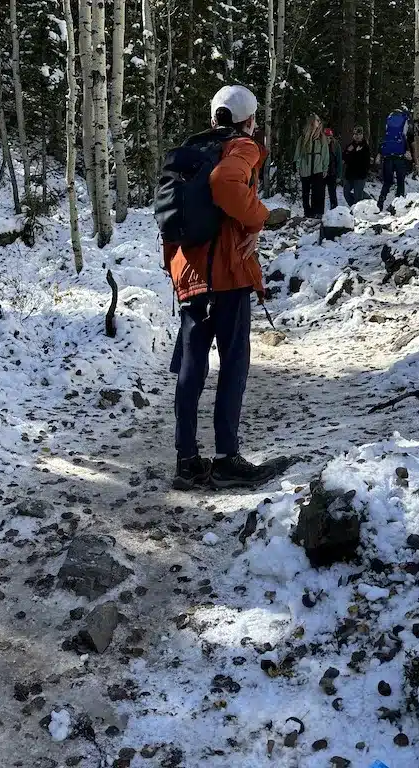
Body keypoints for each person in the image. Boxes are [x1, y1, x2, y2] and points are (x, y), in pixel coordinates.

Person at [162, 85, 275, 490]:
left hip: (191, 275)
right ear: (247, 120)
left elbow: (171, 217)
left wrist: (176, 272)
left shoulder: (191, 151)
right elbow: (227, 184)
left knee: (192, 367)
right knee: (233, 363)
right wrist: (258, 218)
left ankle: (186, 460)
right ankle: (227, 458)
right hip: (227, 275)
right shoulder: (241, 148)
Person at [377, 108, 413, 212]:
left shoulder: (389, 119)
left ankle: (380, 203)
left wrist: (380, 153)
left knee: (387, 182)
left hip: (388, 157)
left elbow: (384, 138)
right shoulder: (403, 119)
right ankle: (398, 205)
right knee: (400, 182)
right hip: (399, 158)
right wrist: (407, 150)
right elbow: (404, 137)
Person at [294, 114, 330, 218]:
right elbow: (298, 153)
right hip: (305, 167)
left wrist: (325, 168)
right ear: (312, 122)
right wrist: (297, 165)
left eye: (319, 120)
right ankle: (307, 212)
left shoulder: (322, 137)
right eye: (317, 120)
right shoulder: (303, 137)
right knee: (305, 192)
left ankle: (318, 212)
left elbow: (325, 154)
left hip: (317, 168)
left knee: (318, 191)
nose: (319, 122)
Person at [342, 125, 371, 206]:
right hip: (350, 174)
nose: (357, 136)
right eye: (355, 134)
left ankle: (358, 209)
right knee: (346, 193)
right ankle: (354, 206)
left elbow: (363, 161)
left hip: (360, 175)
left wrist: (353, 154)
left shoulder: (365, 146)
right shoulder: (350, 146)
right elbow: (344, 157)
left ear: (362, 135)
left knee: (357, 196)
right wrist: (350, 153)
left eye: (359, 134)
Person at [323, 124, 344, 210]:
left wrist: (339, 175)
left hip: (332, 173)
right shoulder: (320, 146)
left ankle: (334, 210)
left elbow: (339, 161)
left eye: (330, 137)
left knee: (332, 193)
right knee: (320, 193)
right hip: (322, 173)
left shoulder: (336, 146)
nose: (328, 139)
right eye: (326, 137)